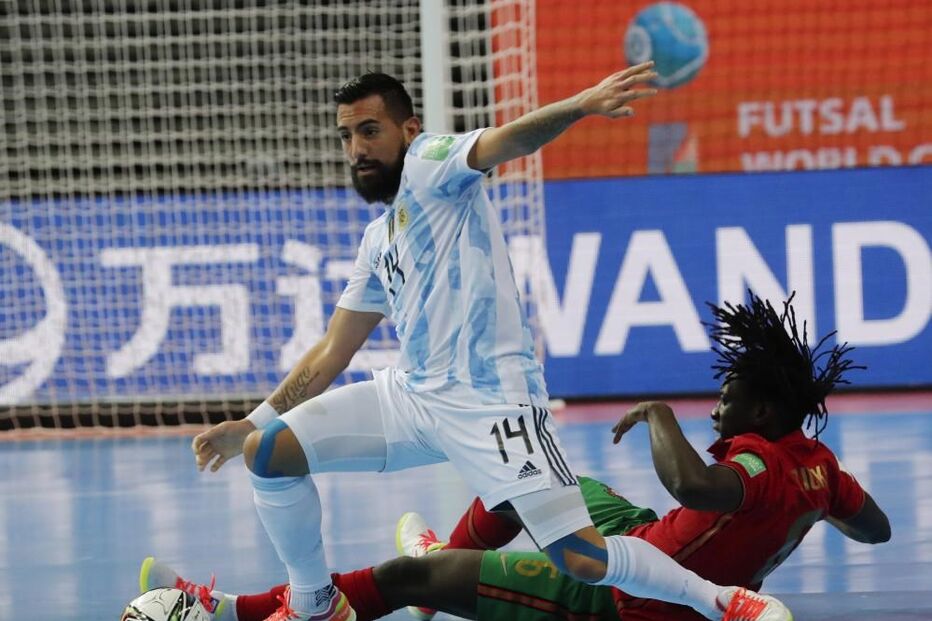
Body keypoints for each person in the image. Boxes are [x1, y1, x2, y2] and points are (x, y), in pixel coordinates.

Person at [189, 67, 790, 621]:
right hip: (414, 396)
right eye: (347, 136)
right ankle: (315, 603)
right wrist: (251, 421)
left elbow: (507, 141)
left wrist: (581, 104)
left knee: (580, 556)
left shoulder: (431, 163)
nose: (357, 149)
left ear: (408, 129)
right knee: (269, 452)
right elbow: (332, 352)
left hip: (493, 403)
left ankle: (722, 602)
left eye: (370, 131)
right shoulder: (379, 239)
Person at [144, 293, 888, 621]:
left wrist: (660, 414)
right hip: (649, 527)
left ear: (760, 413)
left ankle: (223, 608)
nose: (715, 407)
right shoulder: (816, 464)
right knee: (523, 480)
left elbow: (694, 479)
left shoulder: (754, 460)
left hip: (623, 598)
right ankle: (449, 568)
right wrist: (799, 515)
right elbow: (875, 528)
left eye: (727, 398)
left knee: (409, 574)